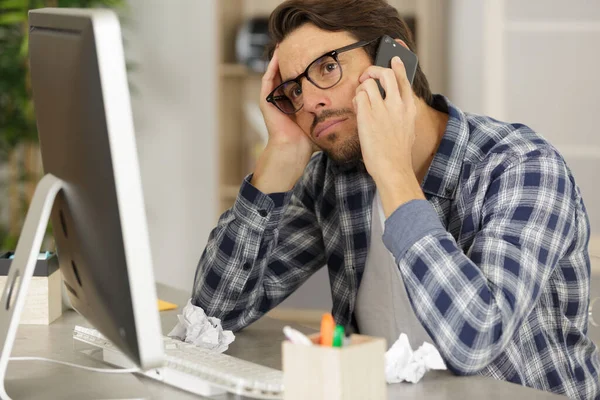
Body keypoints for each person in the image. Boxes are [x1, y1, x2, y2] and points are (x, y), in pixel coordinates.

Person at [192, 0, 599, 397]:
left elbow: (476, 338)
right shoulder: (332, 179)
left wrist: (393, 173)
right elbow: (213, 314)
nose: (310, 102)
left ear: (394, 62)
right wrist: (276, 162)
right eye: (294, 90)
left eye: (328, 67)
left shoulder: (521, 166)